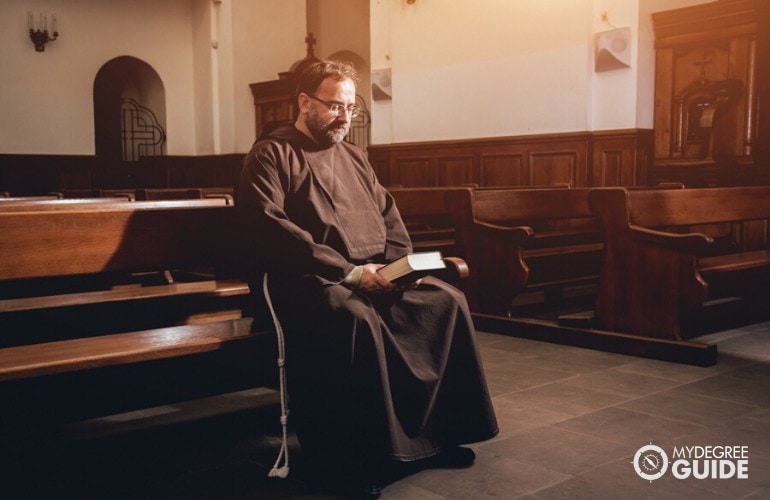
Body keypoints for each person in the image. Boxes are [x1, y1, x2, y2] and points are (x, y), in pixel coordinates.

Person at [236, 60, 498, 497]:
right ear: (304, 102)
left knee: (445, 302)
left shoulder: (356, 157)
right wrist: (350, 272)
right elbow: (268, 225)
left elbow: (389, 216)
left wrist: (402, 267)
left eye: (350, 108)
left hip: (376, 274)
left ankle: (435, 439)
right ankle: (355, 460)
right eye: (334, 106)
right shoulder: (270, 154)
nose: (344, 117)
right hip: (309, 278)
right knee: (351, 318)